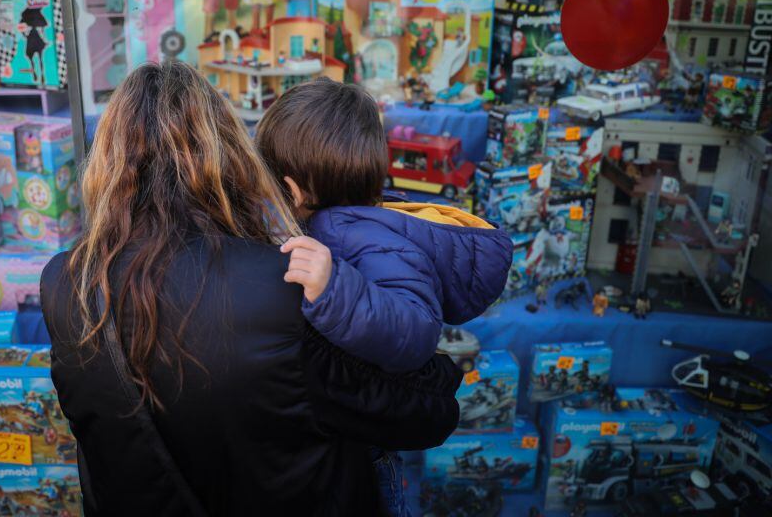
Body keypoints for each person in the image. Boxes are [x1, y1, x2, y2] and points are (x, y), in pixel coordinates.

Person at [42, 61, 462, 517]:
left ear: (106, 162)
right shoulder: (277, 284)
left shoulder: (65, 284)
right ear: (228, 154)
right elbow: (420, 414)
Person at [256, 78, 513, 515]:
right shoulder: (343, 225)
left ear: (294, 192)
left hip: (369, 456)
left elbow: (415, 329)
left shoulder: (363, 238)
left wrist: (335, 290)